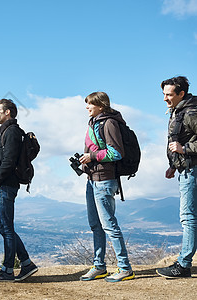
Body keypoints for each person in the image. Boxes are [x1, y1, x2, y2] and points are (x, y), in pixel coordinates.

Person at [78, 92, 135, 282]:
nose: (87, 107)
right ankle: (99, 266)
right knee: (96, 225)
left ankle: (125, 268)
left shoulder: (108, 123)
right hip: (92, 179)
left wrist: (92, 157)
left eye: (90, 105)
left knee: (109, 225)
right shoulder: (94, 122)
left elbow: (116, 152)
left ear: (101, 106)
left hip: (104, 180)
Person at [0, 98, 38, 282]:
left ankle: (7, 270)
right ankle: (26, 264)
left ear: (8, 112)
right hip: (4, 184)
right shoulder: (8, 131)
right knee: (5, 228)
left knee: (6, 228)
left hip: (5, 186)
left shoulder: (12, 131)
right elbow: (4, 159)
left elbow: (10, 161)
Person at [156, 76, 197, 278]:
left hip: (192, 170)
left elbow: (184, 144)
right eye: (163, 94)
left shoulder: (191, 112)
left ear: (181, 94)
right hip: (185, 168)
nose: (165, 98)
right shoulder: (178, 110)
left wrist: (184, 149)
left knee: (188, 218)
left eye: (169, 94)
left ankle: (183, 265)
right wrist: (173, 164)